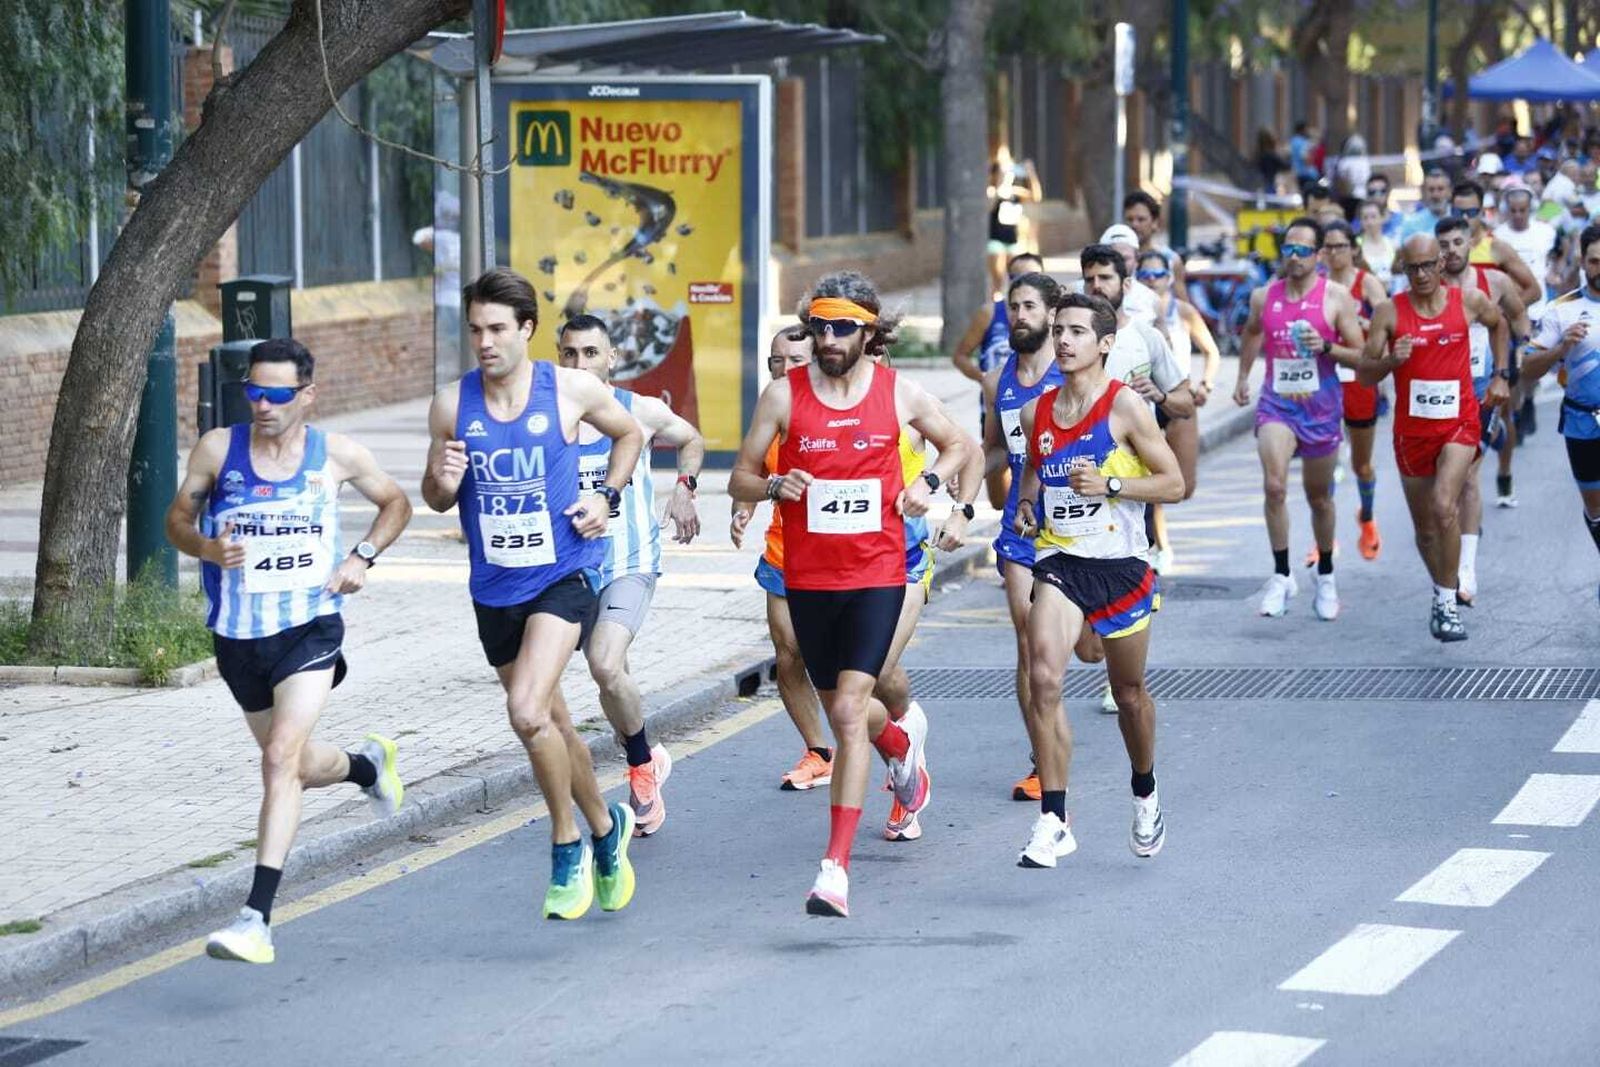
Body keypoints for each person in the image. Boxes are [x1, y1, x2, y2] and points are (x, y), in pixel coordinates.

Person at [729, 270, 970, 917]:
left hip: (876, 574)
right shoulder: (783, 397)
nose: (830, 338)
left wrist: (934, 488)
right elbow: (742, 477)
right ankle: (898, 748)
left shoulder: (898, 394)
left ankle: (834, 865)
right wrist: (772, 486)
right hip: (809, 578)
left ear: (869, 331)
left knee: (847, 709)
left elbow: (959, 444)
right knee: (843, 706)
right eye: (820, 326)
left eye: (843, 327)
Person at [166, 338, 413, 964]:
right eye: (253, 391)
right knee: (294, 765)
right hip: (237, 636)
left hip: (310, 628)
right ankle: (366, 767)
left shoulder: (337, 455)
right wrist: (206, 549)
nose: (263, 404)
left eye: (277, 394)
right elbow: (176, 521)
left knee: (278, 759)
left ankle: (256, 918)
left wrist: (362, 557)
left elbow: (396, 503)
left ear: (307, 394)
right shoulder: (220, 450)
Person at [423, 268, 646, 920]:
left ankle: (566, 843)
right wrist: (442, 478)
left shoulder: (571, 389)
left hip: (563, 573)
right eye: (475, 330)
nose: (485, 342)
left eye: (497, 329)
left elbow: (630, 433)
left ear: (527, 329)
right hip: (494, 588)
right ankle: (608, 829)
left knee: (526, 712)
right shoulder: (450, 404)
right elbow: (435, 498)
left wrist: (606, 495)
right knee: (554, 722)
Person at [1011, 292, 1186, 868]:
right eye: (1058, 329)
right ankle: (1054, 820)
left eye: (1077, 332)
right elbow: (1035, 475)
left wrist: (1111, 487)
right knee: (1042, 677)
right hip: (1061, 561)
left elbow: (1173, 483)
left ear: (1105, 343)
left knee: (1130, 693)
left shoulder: (1125, 407)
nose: (1063, 340)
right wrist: (1029, 505)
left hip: (1121, 567)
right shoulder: (1039, 410)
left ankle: (1145, 790)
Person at [556, 313, 704, 837]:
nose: (580, 364)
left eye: (591, 353)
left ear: (612, 358)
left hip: (629, 562)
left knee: (603, 661)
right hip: (573, 569)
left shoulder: (637, 410)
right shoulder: (549, 416)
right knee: (610, 678)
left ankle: (640, 765)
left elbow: (691, 439)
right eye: (570, 354)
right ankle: (649, 751)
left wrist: (683, 487)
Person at [1360, 235, 1508, 640]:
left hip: (1460, 422)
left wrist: (1500, 375)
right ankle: (1443, 589)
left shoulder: (1469, 301)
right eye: (1413, 268)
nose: (1422, 274)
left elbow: (1501, 325)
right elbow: (1364, 374)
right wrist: (1392, 359)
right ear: (1403, 269)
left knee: (1445, 505)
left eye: (1428, 265)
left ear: (1441, 264)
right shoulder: (1390, 313)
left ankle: (1446, 602)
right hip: (1412, 433)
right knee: (1426, 530)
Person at [1232, 217, 1366, 619]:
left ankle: (1325, 575)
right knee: (1274, 486)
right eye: (1288, 249)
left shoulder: (1337, 297)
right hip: (1277, 404)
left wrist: (1325, 346)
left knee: (1318, 497)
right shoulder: (1264, 296)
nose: (1294, 257)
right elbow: (1253, 332)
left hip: (1322, 409)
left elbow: (1361, 354)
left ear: (1320, 255)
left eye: (1303, 250)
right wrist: (1242, 377)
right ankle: (1280, 575)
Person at [733, 328, 835, 791]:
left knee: (842, 662)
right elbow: (752, 472)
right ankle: (820, 750)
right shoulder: (770, 407)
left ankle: (887, 739)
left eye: (795, 359)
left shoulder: (838, 405)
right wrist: (745, 508)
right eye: (776, 360)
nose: (785, 369)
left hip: (841, 554)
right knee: (789, 655)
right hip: (784, 551)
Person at [982, 271, 1065, 803]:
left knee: (1086, 649)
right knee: (1028, 643)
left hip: (1080, 526)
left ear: (1053, 315)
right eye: (1013, 307)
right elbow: (993, 451)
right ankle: (1040, 759)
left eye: (1029, 306)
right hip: (1021, 524)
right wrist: (963, 493)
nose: (1019, 316)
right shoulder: (996, 381)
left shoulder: (1075, 373)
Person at [1437, 215, 1528, 604]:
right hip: (1441, 391)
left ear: (1470, 243)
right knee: (1443, 485)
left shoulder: (1495, 283)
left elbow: (1520, 320)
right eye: (1444, 245)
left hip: (1480, 390)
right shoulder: (1429, 287)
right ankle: (1451, 555)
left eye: (1458, 242)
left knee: (1469, 478)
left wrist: (1507, 371)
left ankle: (1466, 569)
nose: (1452, 250)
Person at [1521, 223, 1600, 606]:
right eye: (1594, 261)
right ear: (1582, 263)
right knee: (1596, 511)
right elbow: (1527, 368)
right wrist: (1560, 350)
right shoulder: (1562, 309)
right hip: (1582, 421)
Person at [1137, 249, 1215, 573]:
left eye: (1158, 274)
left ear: (1170, 278)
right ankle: (1159, 545)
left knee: (1183, 486)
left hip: (1178, 400)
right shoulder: (1133, 313)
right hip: (1142, 400)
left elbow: (1211, 351)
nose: (1152, 280)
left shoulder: (1183, 311)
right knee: (1151, 476)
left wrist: (1205, 386)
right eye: (1146, 275)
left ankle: (1158, 543)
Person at [950, 251, 1047, 509]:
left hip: (1066, 518)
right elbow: (960, 355)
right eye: (1017, 277)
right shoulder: (990, 314)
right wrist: (984, 379)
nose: (1020, 314)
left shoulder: (1070, 368)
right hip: (1001, 401)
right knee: (998, 500)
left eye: (1032, 276)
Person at [1320, 220, 1391, 560]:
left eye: (1340, 246)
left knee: (1361, 465)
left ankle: (1367, 517)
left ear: (1353, 249)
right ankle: (1325, 537)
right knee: (1325, 461)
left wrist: (1364, 324)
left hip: (1359, 381)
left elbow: (1391, 323)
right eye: (1328, 247)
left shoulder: (1367, 284)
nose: (1334, 253)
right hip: (1323, 379)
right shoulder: (1314, 285)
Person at [1454, 181, 1542, 304]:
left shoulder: (1497, 247)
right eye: (1458, 213)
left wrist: (1502, 317)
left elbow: (1534, 291)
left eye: (1471, 213)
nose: (1464, 218)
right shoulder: (1442, 250)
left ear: (1482, 213)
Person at [987, 147, 1042, 292]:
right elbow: (989, 206)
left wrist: (1031, 174)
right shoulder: (993, 191)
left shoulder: (1015, 192)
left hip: (1013, 240)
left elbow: (1036, 197)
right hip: (995, 240)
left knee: (1016, 280)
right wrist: (1000, 185)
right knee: (997, 281)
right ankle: (997, 311)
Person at [1494, 185, 1557, 304]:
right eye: (1513, 210)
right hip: (1509, 297)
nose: (1518, 215)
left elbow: (1555, 257)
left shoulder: (1547, 232)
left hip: (1541, 297)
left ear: (1530, 208)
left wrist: (1552, 272)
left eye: (1522, 210)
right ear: (1506, 209)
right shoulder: (1497, 235)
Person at [1123, 191, 1188, 299]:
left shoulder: (1171, 260)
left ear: (1155, 223)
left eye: (1141, 219)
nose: (1134, 224)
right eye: (1129, 219)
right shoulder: (1116, 259)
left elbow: (1183, 305)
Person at [1400, 169, 1455, 241]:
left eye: (1440, 189)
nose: (1435, 195)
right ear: (1424, 193)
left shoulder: (1460, 219)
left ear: (1450, 192)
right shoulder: (1412, 224)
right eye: (1431, 190)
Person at [1357, 199, 1397, 292]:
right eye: (1365, 218)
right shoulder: (1355, 246)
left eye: (1373, 217)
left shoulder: (1392, 244)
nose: (1370, 222)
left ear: (1383, 218)